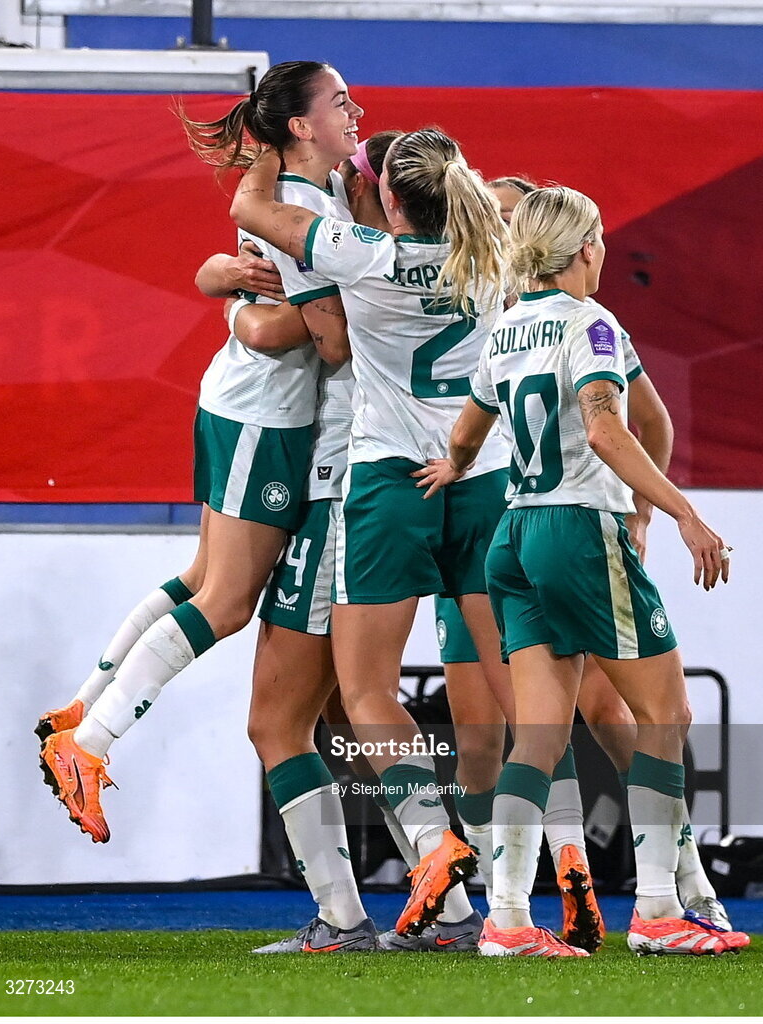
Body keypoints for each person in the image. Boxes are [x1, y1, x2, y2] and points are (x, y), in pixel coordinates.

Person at [37, 61, 363, 851]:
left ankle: (80, 711)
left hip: (241, 405)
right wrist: (341, 303)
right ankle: (91, 742)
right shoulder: (302, 207)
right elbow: (316, 334)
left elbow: (245, 278)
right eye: (341, 102)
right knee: (226, 603)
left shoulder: (303, 180)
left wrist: (228, 286)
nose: (357, 112)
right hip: (268, 419)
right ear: (300, 126)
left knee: (201, 580)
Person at [420, 184, 746, 957]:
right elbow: (606, 428)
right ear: (583, 249)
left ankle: (505, 922)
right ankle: (661, 911)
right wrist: (679, 512)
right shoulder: (591, 324)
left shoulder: (503, 330)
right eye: (598, 239)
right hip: (576, 528)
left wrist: (450, 467)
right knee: (667, 718)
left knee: (535, 736)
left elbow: (469, 432)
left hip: (515, 531)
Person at [231, 128, 514, 937]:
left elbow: (255, 206)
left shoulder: (365, 256)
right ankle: (530, 896)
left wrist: (262, 147)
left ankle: (432, 844)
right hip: (479, 479)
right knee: (524, 699)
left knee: (366, 696)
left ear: (389, 197)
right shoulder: (494, 253)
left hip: (391, 485)